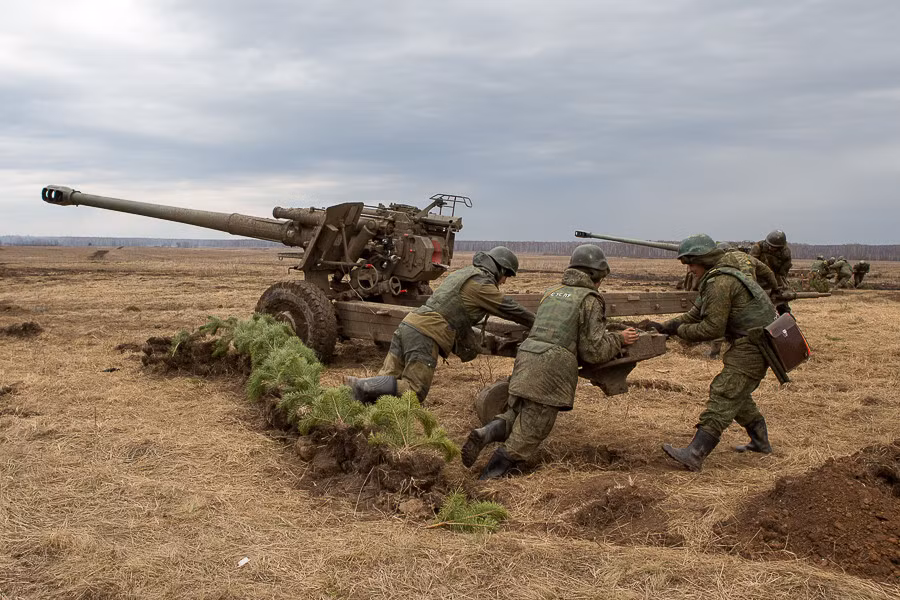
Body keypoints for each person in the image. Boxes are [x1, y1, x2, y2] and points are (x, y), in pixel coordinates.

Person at [460, 245, 639, 479]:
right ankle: (490, 478)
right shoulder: (590, 300)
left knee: (517, 413)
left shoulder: (551, 292)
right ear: (596, 274)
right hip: (551, 368)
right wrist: (619, 339)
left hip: (527, 359)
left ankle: (486, 433)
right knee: (533, 428)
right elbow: (593, 351)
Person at [647, 234, 778, 472]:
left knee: (725, 392)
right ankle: (760, 442)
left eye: (691, 262)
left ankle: (695, 453)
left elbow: (711, 328)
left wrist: (681, 332)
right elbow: (695, 314)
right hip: (750, 344)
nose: (689, 268)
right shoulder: (717, 279)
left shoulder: (720, 283)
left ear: (704, 260)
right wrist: (667, 326)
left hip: (753, 347)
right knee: (737, 394)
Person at [344, 247, 535, 404]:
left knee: (387, 385)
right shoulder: (481, 285)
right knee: (413, 390)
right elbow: (510, 309)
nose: (504, 281)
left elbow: (455, 318)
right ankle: (361, 385)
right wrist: (538, 322)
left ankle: (360, 412)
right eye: (506, 276)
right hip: (425, 334)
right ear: (499, 269)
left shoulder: (464, 274)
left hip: (409, 325)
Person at [749, 230, 792, 314]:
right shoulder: (758, 247)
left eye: (773, 247)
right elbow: (751, 265)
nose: (770, 248)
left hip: (775, 277)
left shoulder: (785, 253)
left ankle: (786, 317)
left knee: (781, 301)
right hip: (758, 277)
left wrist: (776, 288)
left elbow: (782, 273)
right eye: (769, 245)